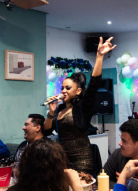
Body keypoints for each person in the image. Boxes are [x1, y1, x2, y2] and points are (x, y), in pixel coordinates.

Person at [43, 37, 116, 174]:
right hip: (62, 159)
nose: (63, 91)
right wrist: (51, 112)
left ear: (78, 91)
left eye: (68, 88)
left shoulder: (83, 107)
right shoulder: (59, 109)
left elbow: (94, 83)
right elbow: (46, 131)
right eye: (62, 88)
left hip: (81, 159)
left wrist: (99, 56)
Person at [103, 118, 138, 191]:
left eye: (124, 141)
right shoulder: (118, 154)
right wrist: (125, 185)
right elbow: (101, 181)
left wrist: (125, 182)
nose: (119, 143)